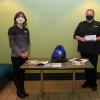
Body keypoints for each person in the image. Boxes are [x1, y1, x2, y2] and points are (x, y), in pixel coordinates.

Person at [74, 9, 100, 91]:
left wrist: (96, 39)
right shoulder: (81, 24)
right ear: (85, 15)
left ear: (93, 15)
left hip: (94, 50)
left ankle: (93, 83)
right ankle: (87, 82)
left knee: (93, 67)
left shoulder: (98, 24)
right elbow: (75, 35)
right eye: (87, 14)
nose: (89, 15)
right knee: (85, 66)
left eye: (90, 14)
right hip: (83, 49)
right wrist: (81, 38)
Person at [8, 11, 30, 98]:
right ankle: (19, 91)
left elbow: (28, 42)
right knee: (16, 73)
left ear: (24, 19)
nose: (20, 18)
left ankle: (23, 90)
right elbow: (11, 44)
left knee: (22, 74)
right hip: (16, 56)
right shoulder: (11, 29)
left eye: (22, 16)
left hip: (25, 55)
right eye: (19, 16)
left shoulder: (26, 30)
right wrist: (20, 53)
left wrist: (27, 52)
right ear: (16, 19)